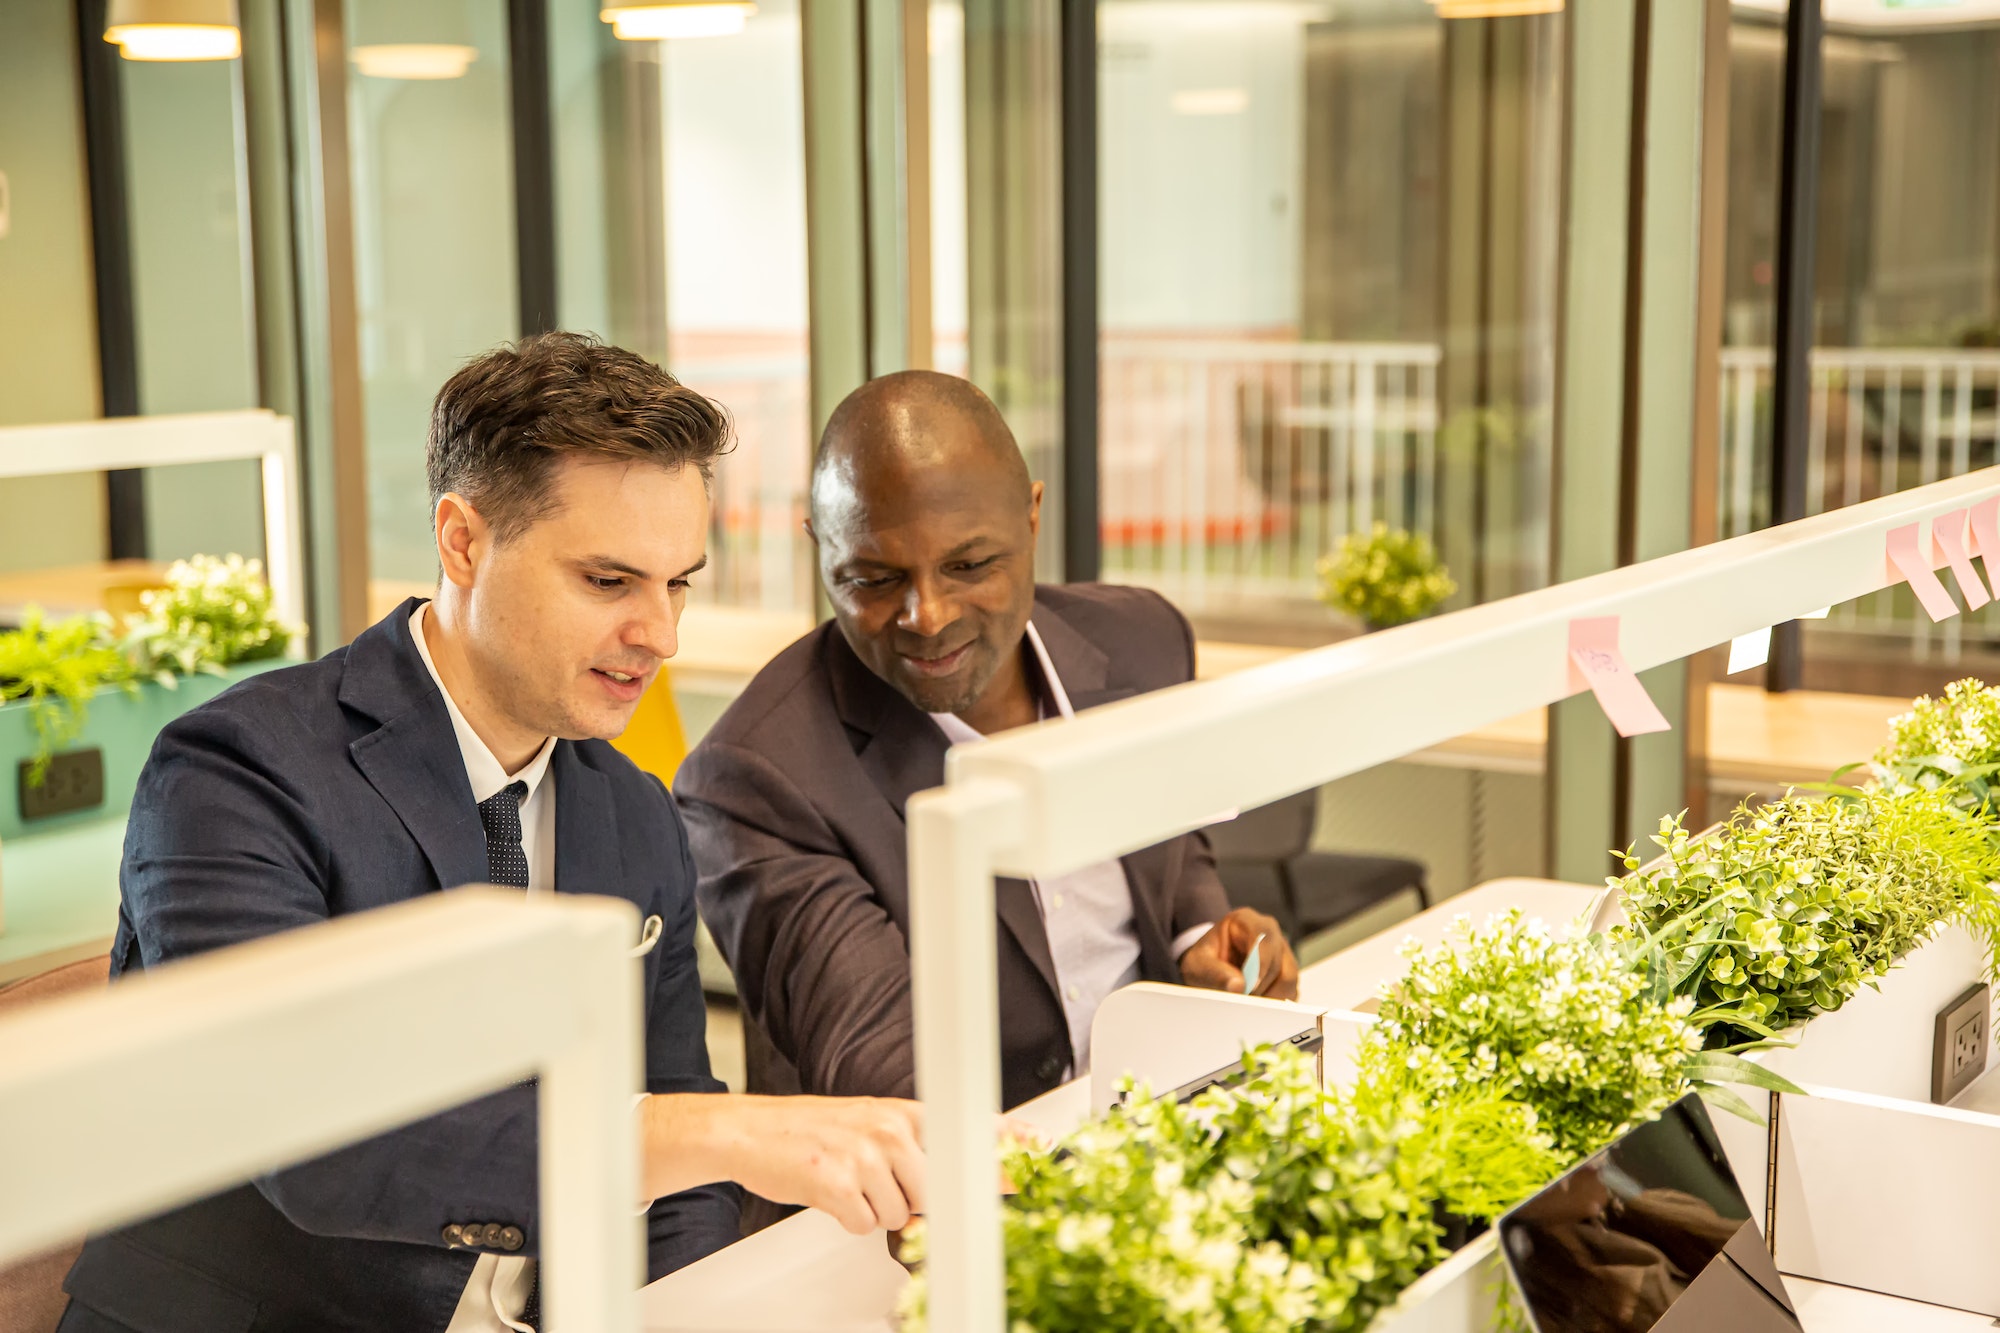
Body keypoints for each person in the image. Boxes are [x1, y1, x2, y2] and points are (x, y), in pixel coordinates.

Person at [59, 334, 927, 1333]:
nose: (662, 634)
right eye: (608, 582)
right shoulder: (238, 770)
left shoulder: (633, 810)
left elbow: (680, 1150)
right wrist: (702, 1130)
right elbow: (309, 1136)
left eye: (676, 581)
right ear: (461, 541)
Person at [677, 370, 1300, 1124]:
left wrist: (1198, 930)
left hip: (1161, 1119)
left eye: (970, 565)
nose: (928, 617)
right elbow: (893, 1084)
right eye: (873, 578)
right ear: (820, 547)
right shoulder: (755, 776)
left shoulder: (1144, 642)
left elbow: (1172, 836)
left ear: (1032, 518)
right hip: (931, 1204)